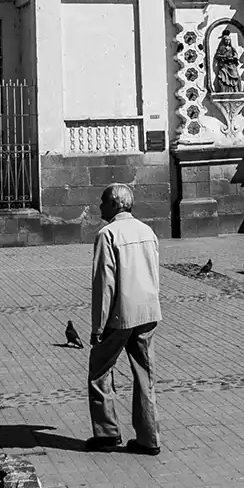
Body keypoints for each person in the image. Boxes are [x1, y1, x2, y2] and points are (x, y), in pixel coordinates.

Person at [86, 183, 161, 456]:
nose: (99, 206)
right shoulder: (147, 230)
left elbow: (104, 284)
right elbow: (154, 271)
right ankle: (149, 438)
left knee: (100, 371)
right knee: (145, 375)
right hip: (148, 311)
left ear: (115, 204)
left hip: (120, 314)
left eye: (103, 201)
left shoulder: (108, 234)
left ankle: (107, 433)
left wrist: (98, 327)